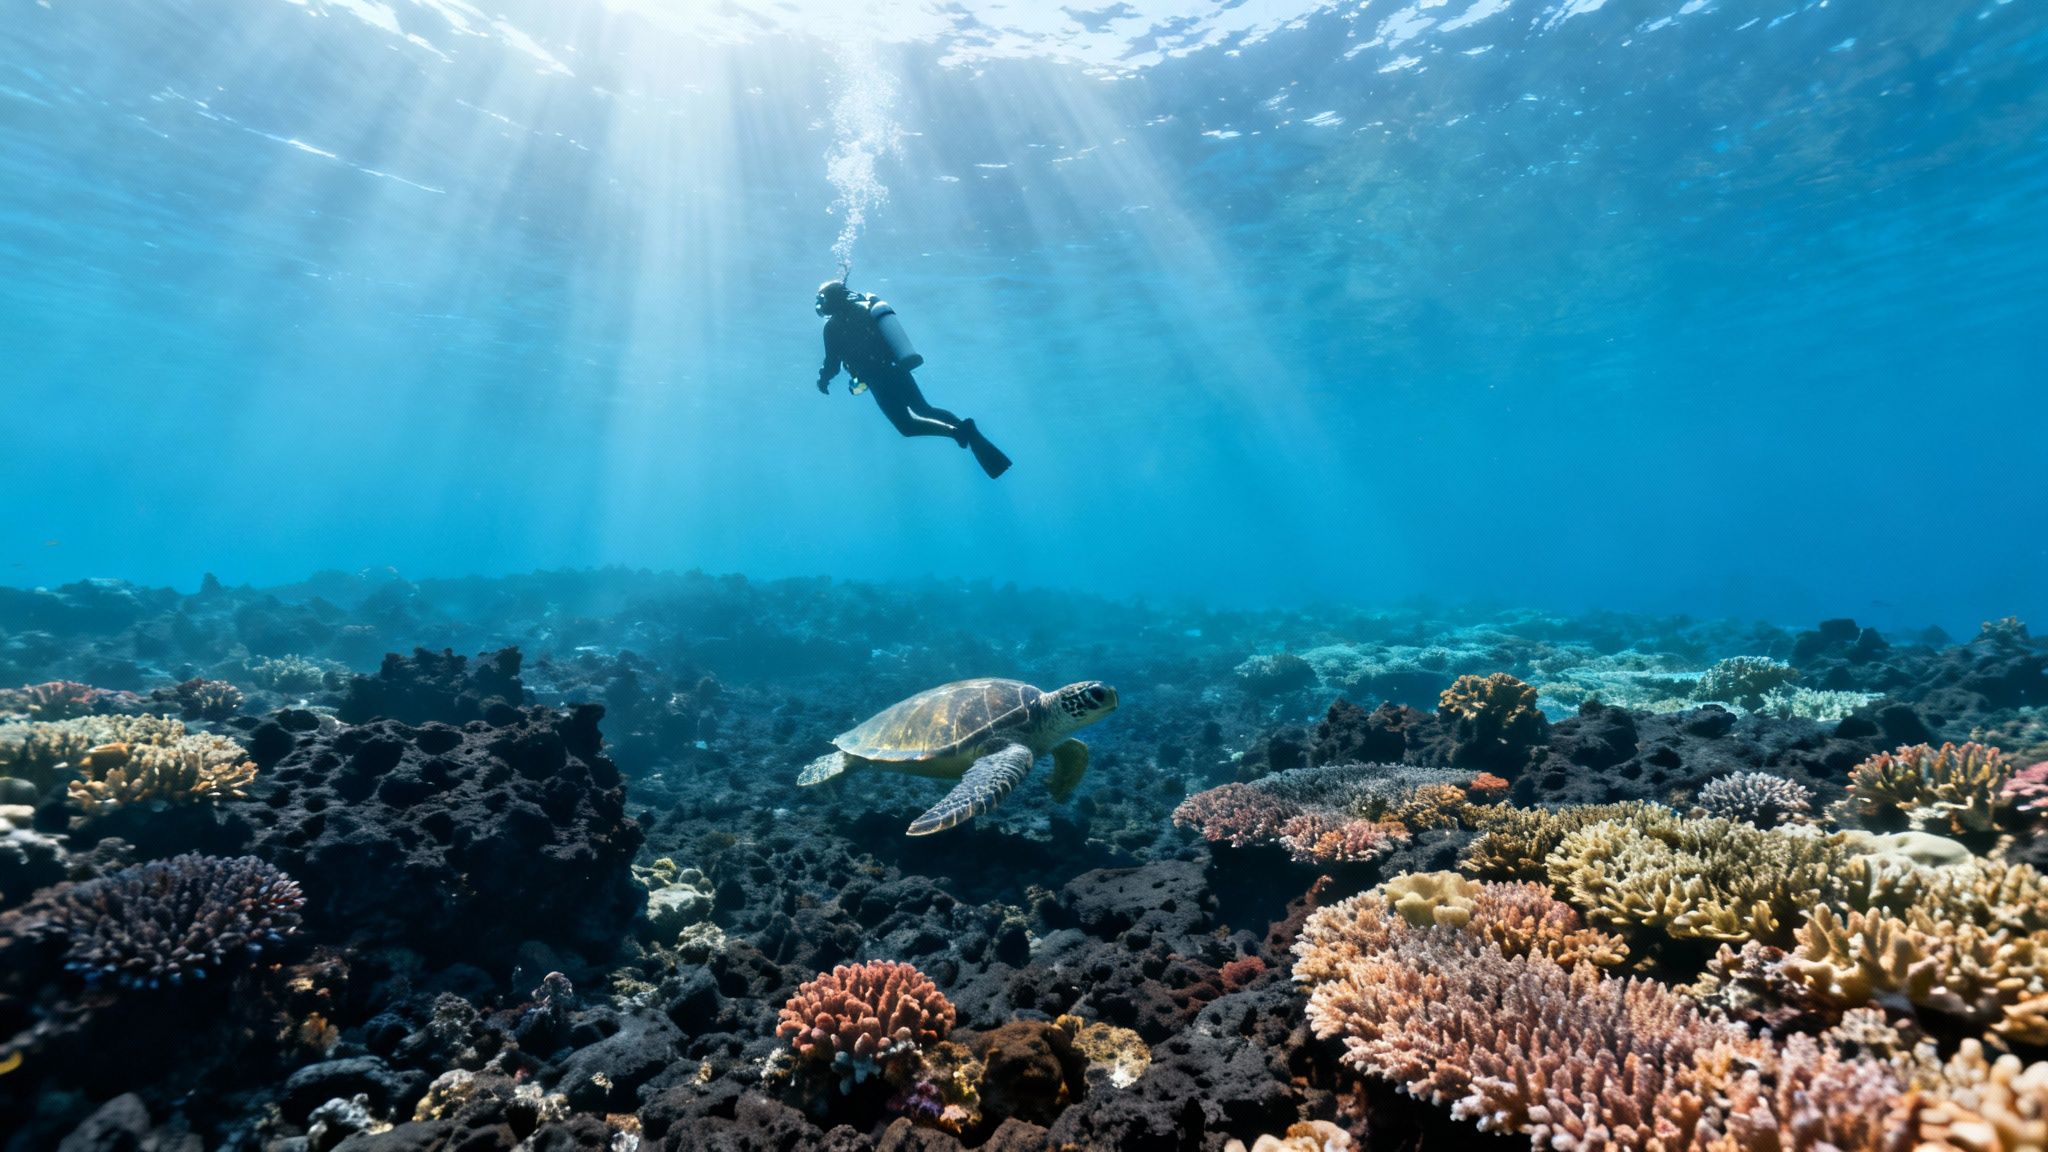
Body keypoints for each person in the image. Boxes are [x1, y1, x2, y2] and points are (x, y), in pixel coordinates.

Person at [814, 280, 1011, 479]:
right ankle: (964, 428)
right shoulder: (866, 310)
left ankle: (958, 432)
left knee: (907, 426)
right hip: (897, 370)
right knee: (924, 409)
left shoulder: (832, 327)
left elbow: (832, 363)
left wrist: (823, 380)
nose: (821, 304)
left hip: (877, 380)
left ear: (831, 299)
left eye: (823, 299)